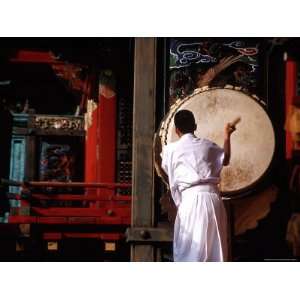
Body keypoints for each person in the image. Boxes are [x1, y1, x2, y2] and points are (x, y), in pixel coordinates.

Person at [159, 109, 236, 262]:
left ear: (176, 130)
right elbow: (225, 159)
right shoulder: (208, 146)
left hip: (190, 201)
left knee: (190, 252)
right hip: (213, 201)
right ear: (195, 126)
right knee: (215, 252)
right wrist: (227, 135)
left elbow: (167, 169)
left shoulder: (170, 150)